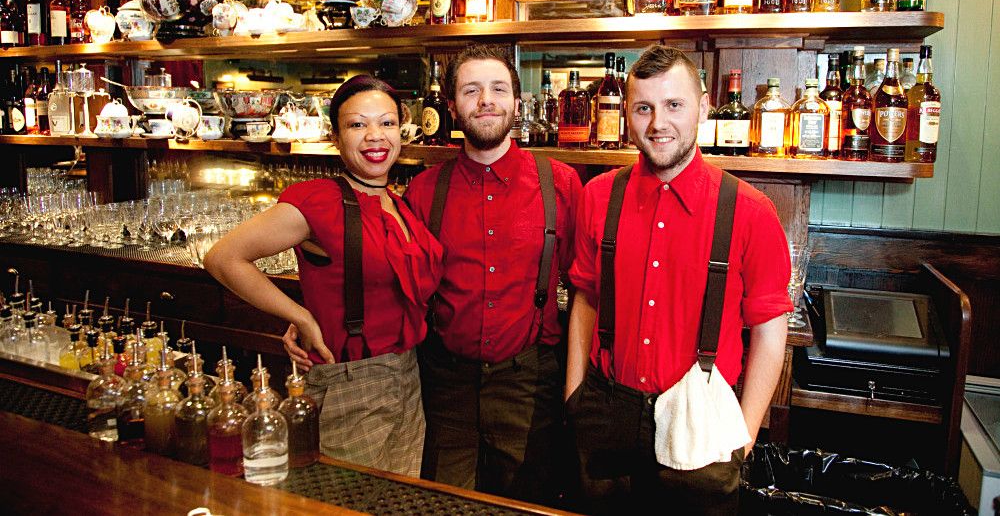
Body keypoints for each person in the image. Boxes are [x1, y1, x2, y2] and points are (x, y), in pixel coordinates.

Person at [565, 45, 792, 514]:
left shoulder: (750, 212)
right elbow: (586, 300)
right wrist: (575, 399)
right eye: (644, 108)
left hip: (702, 424)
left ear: (703, 109)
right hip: (608, 414)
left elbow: (771, 333)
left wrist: (741, 439)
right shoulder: (597, 197)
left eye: (674, 105)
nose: (657, 124)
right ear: (627, 113)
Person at [204, 75, 443, 477]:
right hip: (352, 384)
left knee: (400, 501)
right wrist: (300, 316)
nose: (374, 136)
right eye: (357, 125)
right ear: (335, 137)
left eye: (386, 123)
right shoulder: (319, 201)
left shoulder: (399, 204)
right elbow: (223, 258)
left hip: (409, 377)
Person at [402, 44, 583, 503]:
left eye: (498, 88)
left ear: (517, 104)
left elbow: (588, 289)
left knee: (524, 501)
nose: (486, 99)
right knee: (444, 499)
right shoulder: (423, 191)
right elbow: (397, 284)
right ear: (451, 105)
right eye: (471, 90)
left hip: (529, 380)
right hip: (446, 383)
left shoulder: (560, 184)